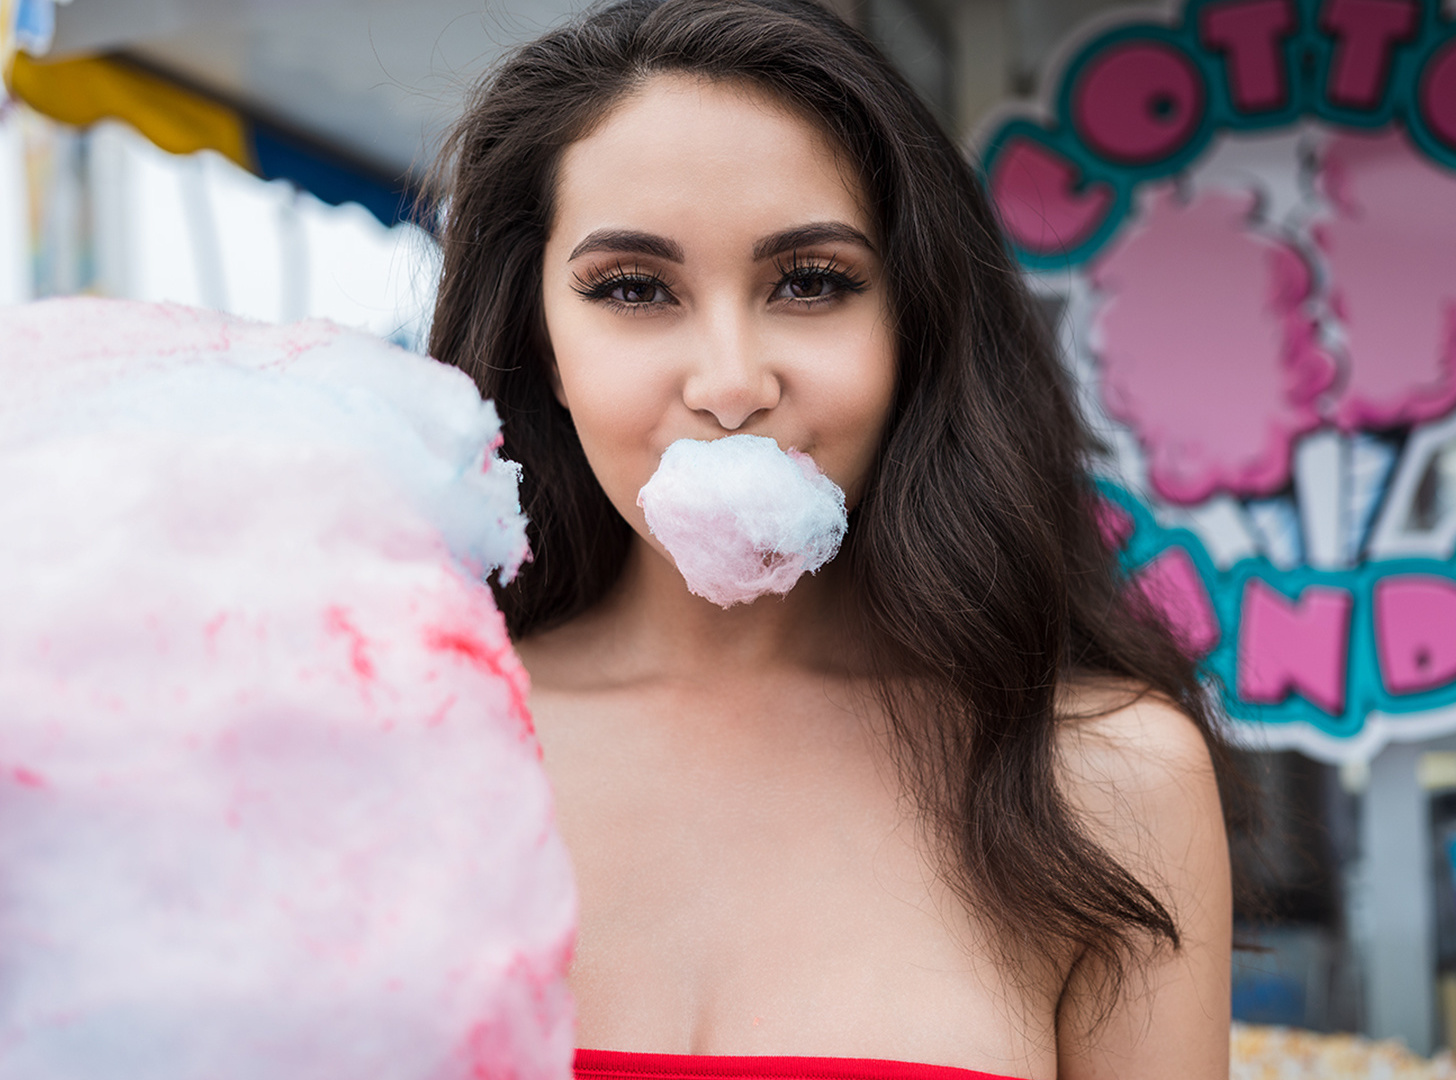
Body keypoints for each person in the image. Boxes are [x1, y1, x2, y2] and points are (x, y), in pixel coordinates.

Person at [425, 0, 1240, 1076]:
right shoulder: (416, 741)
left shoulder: (1104, 778)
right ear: (541, 341)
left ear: (915, 327)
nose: (730, 385)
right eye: (633, 288)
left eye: (810, 282)